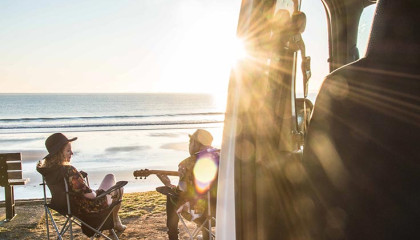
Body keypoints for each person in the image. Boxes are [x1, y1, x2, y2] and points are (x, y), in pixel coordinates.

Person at [36, 133, 126, 232]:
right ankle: (116, 222)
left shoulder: (49, 171)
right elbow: (90, 196)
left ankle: (115, 222)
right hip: (90, 207)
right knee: (114, 182)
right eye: (68, 150)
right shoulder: (69, 170)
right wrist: (95, 192)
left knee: (114, 187)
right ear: (59, 153)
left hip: (65, 206)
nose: (72, 153)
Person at [156, 129, 219, 240]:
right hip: (225, 210)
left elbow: (181, 193)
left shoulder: (187, 163)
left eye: (189, 143)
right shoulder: (224, 156)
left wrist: (169, 184)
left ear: (194, 142)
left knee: (171, 197)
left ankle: (173, 236)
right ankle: (206, 236)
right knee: (205, 195)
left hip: (201, 213)